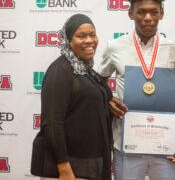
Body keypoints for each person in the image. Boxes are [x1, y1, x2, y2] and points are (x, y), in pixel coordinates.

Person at [98, 0, 175, 180]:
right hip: (126, 143)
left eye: (154, 12)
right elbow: (98, 81)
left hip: (165, 144)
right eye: (141, 12)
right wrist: (108, 98)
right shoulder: (115, 47)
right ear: (131, 13)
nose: (148, 18)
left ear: (162, 13)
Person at [31, 14, 113, 180]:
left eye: (92, 34)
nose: (89, 41)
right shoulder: (60, 71)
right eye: (81, 36)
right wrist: (64, 168)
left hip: (89, 164)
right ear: (68, 41)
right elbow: (52, 123)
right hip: (70, 169)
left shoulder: (85, 69)